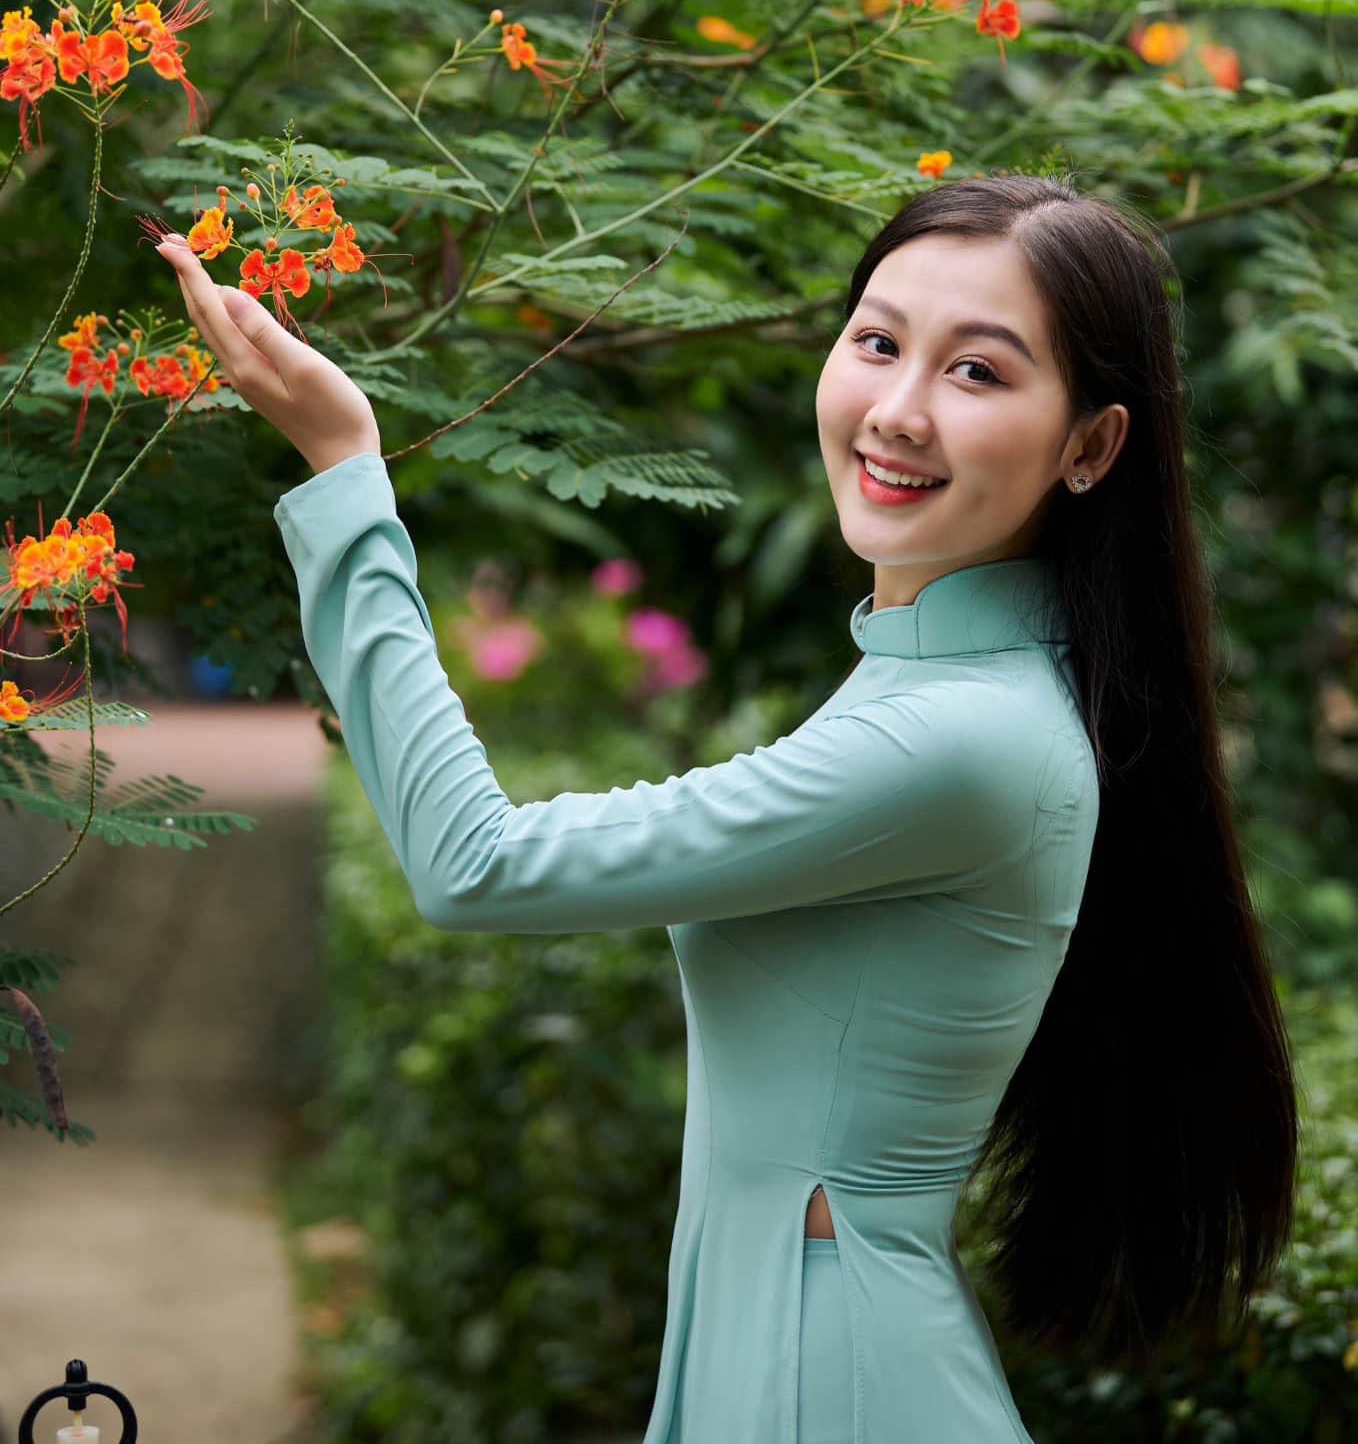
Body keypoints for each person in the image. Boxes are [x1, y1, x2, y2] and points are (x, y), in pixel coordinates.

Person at [156, 169, 1299, 1443]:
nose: (897, 410)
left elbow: (474, 863)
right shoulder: (934, 679)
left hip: (830, 1383)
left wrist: (344, 472)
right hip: (794, 1352)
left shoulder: (961, 737)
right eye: (876, 342)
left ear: (1088, 445)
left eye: (977, 372)